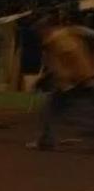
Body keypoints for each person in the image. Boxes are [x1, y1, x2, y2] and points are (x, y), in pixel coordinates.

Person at [28, 17, 94, 150]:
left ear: (46, 28)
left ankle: (46, 141)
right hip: (78, 81)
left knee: (75, 114)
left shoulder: (58, 40)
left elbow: (71, 61)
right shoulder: (62, 37)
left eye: (40, 29)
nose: (39, 33)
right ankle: (46, 141)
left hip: (76, 83)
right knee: (51, 110)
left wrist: (71, 81)